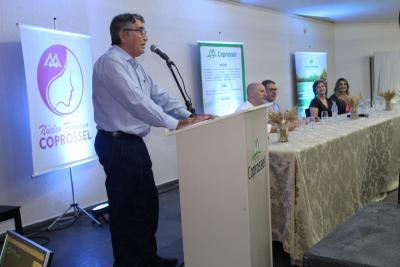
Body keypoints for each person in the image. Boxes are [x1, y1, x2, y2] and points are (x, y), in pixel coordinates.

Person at [92, 13, 212, 267]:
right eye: (140, 30)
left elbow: (158, 96)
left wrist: (191, 115)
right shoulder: (110, 63)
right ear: (123, 35)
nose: (146, 36)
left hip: (132, 144)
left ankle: (147, 259)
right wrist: (176, 124)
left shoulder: (135, 65)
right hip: (117, 145)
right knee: (126, 210)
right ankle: (127, 263)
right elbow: (137, 103)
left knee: (146, 205)